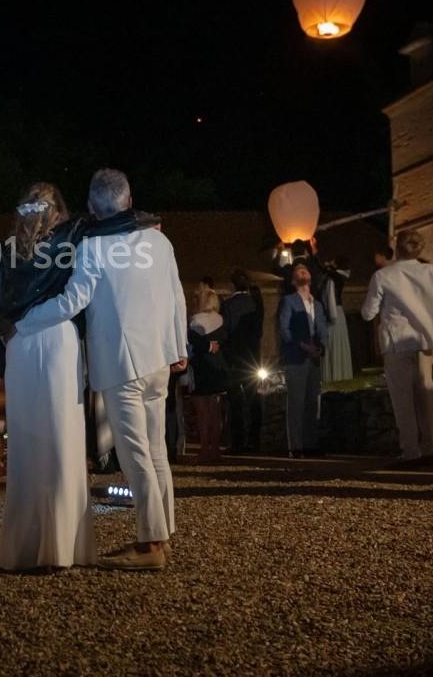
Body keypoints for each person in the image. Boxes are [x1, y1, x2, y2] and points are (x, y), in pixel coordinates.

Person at [13, 168, 188, 572]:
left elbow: (73, 301)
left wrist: (24, 321)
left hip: (121, 363)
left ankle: (151, 543)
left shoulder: (94, 246)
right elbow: (176, 295)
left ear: (92, 206)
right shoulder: (159, 241)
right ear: (130, 200)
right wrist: (180, 347)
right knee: (155, 448)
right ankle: (163, 531)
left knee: (135, 454)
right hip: (159, 358)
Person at [0, 181, 156, 571]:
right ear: (59, 209)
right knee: (62, 435)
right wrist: (146, 218)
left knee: (27, 440)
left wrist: (0, 364)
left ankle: (26, 546)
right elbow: (116, 221)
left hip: (19, 345)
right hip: (58, 339)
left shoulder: (5, 250)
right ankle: (62, 546)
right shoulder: (73, 234)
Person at [361, 229, 433, 467]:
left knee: (403, 400)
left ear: (396, 247)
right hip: (424, 342)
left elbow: (367, 313)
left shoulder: (383, 276)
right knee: (426, 397)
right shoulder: (431, 271)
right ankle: (430, 450)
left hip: (397, 342)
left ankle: (410, 452)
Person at [277, 263, 325, 458]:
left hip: (314, 359)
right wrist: (303, 346)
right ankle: (296, 446)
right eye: (298, 270)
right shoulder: (288, 301)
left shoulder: (318, 305)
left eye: (305, 269)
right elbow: (284, 329)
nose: (303, 271)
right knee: (296, 402)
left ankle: (310, 444)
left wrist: (321, 348)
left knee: (313, 402)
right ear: (293, 280)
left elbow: (322, 328)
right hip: (296, 357)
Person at [222, 270, 264, 452]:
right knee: (254, 400)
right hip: (252, 358)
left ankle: (237, 442)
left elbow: (226, 332)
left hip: (234, 358)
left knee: (235, 402)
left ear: (232, 285)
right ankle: (255, 440)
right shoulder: (256, 303)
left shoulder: (228, 305)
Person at [187, 288, 228, 463]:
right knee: (215, 411)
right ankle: (216, 449)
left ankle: (204, 449)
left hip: (200, 369)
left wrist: (205, 346)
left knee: (202, 413)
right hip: (217, 368)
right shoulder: (221, 320)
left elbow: (193, 344)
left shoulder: (195, 321)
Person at [320, 256, 354, 383]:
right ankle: (341, 373)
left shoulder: (332, 279)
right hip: (338, 312)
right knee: (338, 342)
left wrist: (331, 316)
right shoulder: (338, 277)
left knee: (333, 342)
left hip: (333, 312)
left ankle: (334, 375)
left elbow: (330, 298)